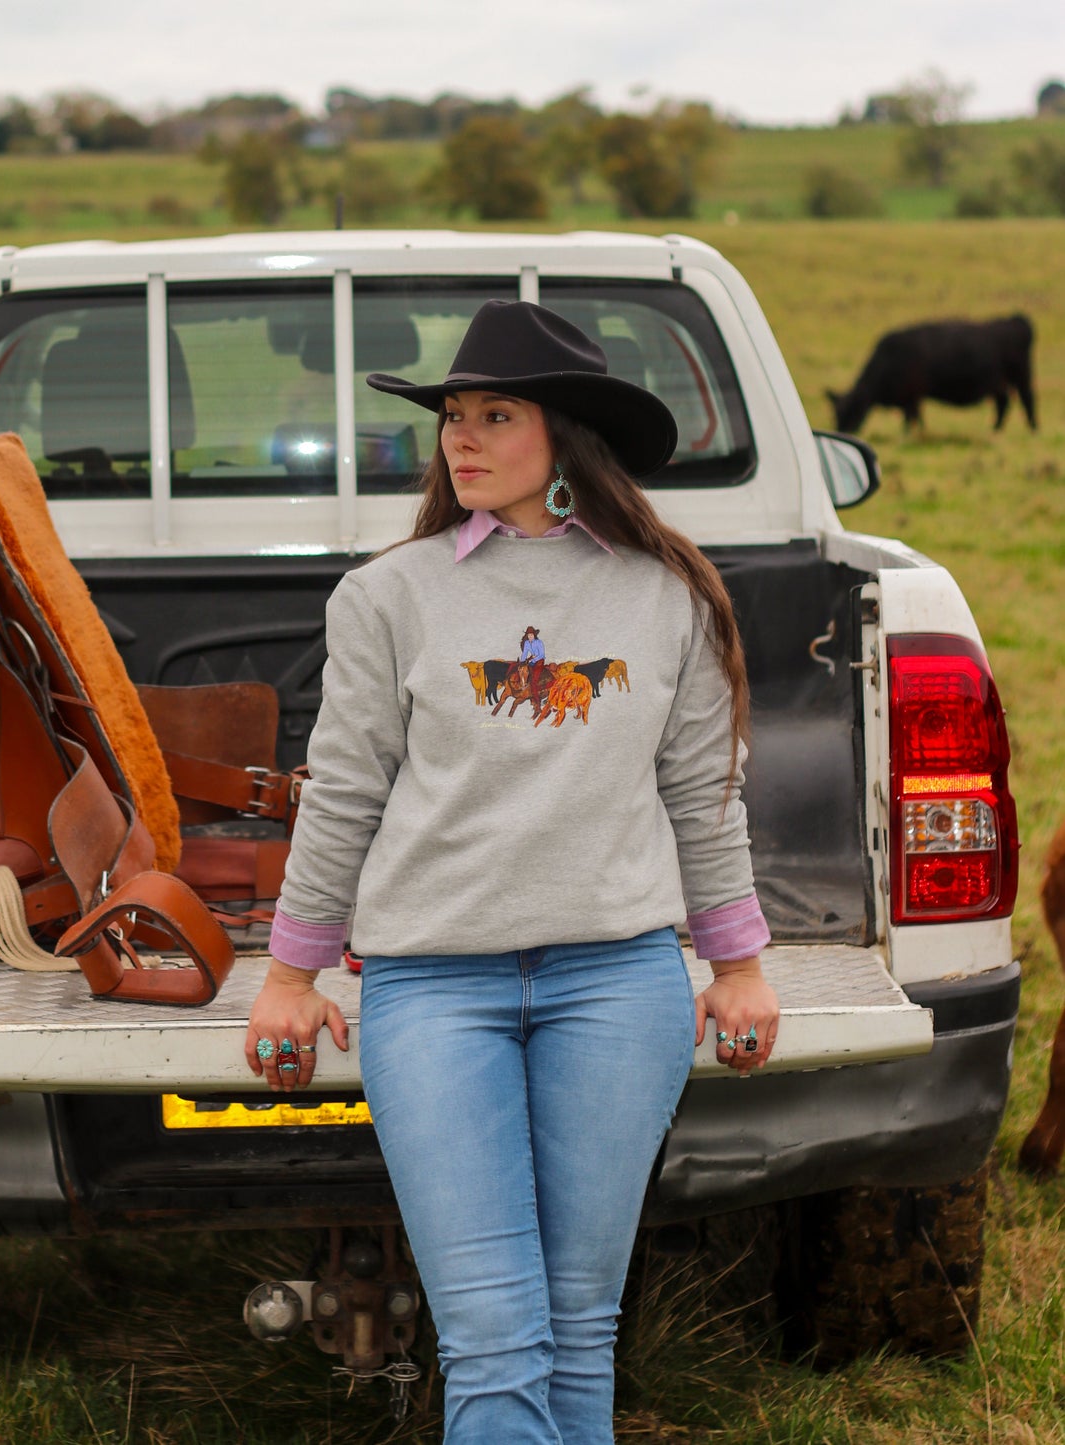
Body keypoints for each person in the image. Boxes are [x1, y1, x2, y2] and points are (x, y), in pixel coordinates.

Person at [244, 299, 779, 1445]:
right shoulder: (387, 596)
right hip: (433, 988)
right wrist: (291, 973)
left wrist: (735, 963)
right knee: (492, 1331)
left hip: (617, 983)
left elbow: (701, 792)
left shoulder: (664, 593)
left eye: (495, 414)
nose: (461, 438)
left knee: (578, 1323)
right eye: (451, 416)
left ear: (567, 436)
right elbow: (341, 792)